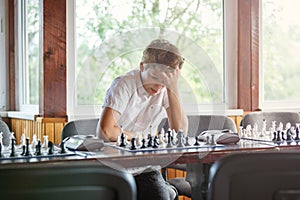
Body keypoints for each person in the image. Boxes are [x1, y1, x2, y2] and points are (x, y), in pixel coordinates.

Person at [97, 38, 188, 200]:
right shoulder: (124, 84)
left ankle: (169, 190)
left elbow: (180, 131)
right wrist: (143, 137)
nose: (158, 85)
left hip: (145, 168)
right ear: (142, 67)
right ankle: (169, 189)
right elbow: (105, 131)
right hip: (115, 167)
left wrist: (173, 87)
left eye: (165, 80)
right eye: (154, 76)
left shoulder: (165, 88)